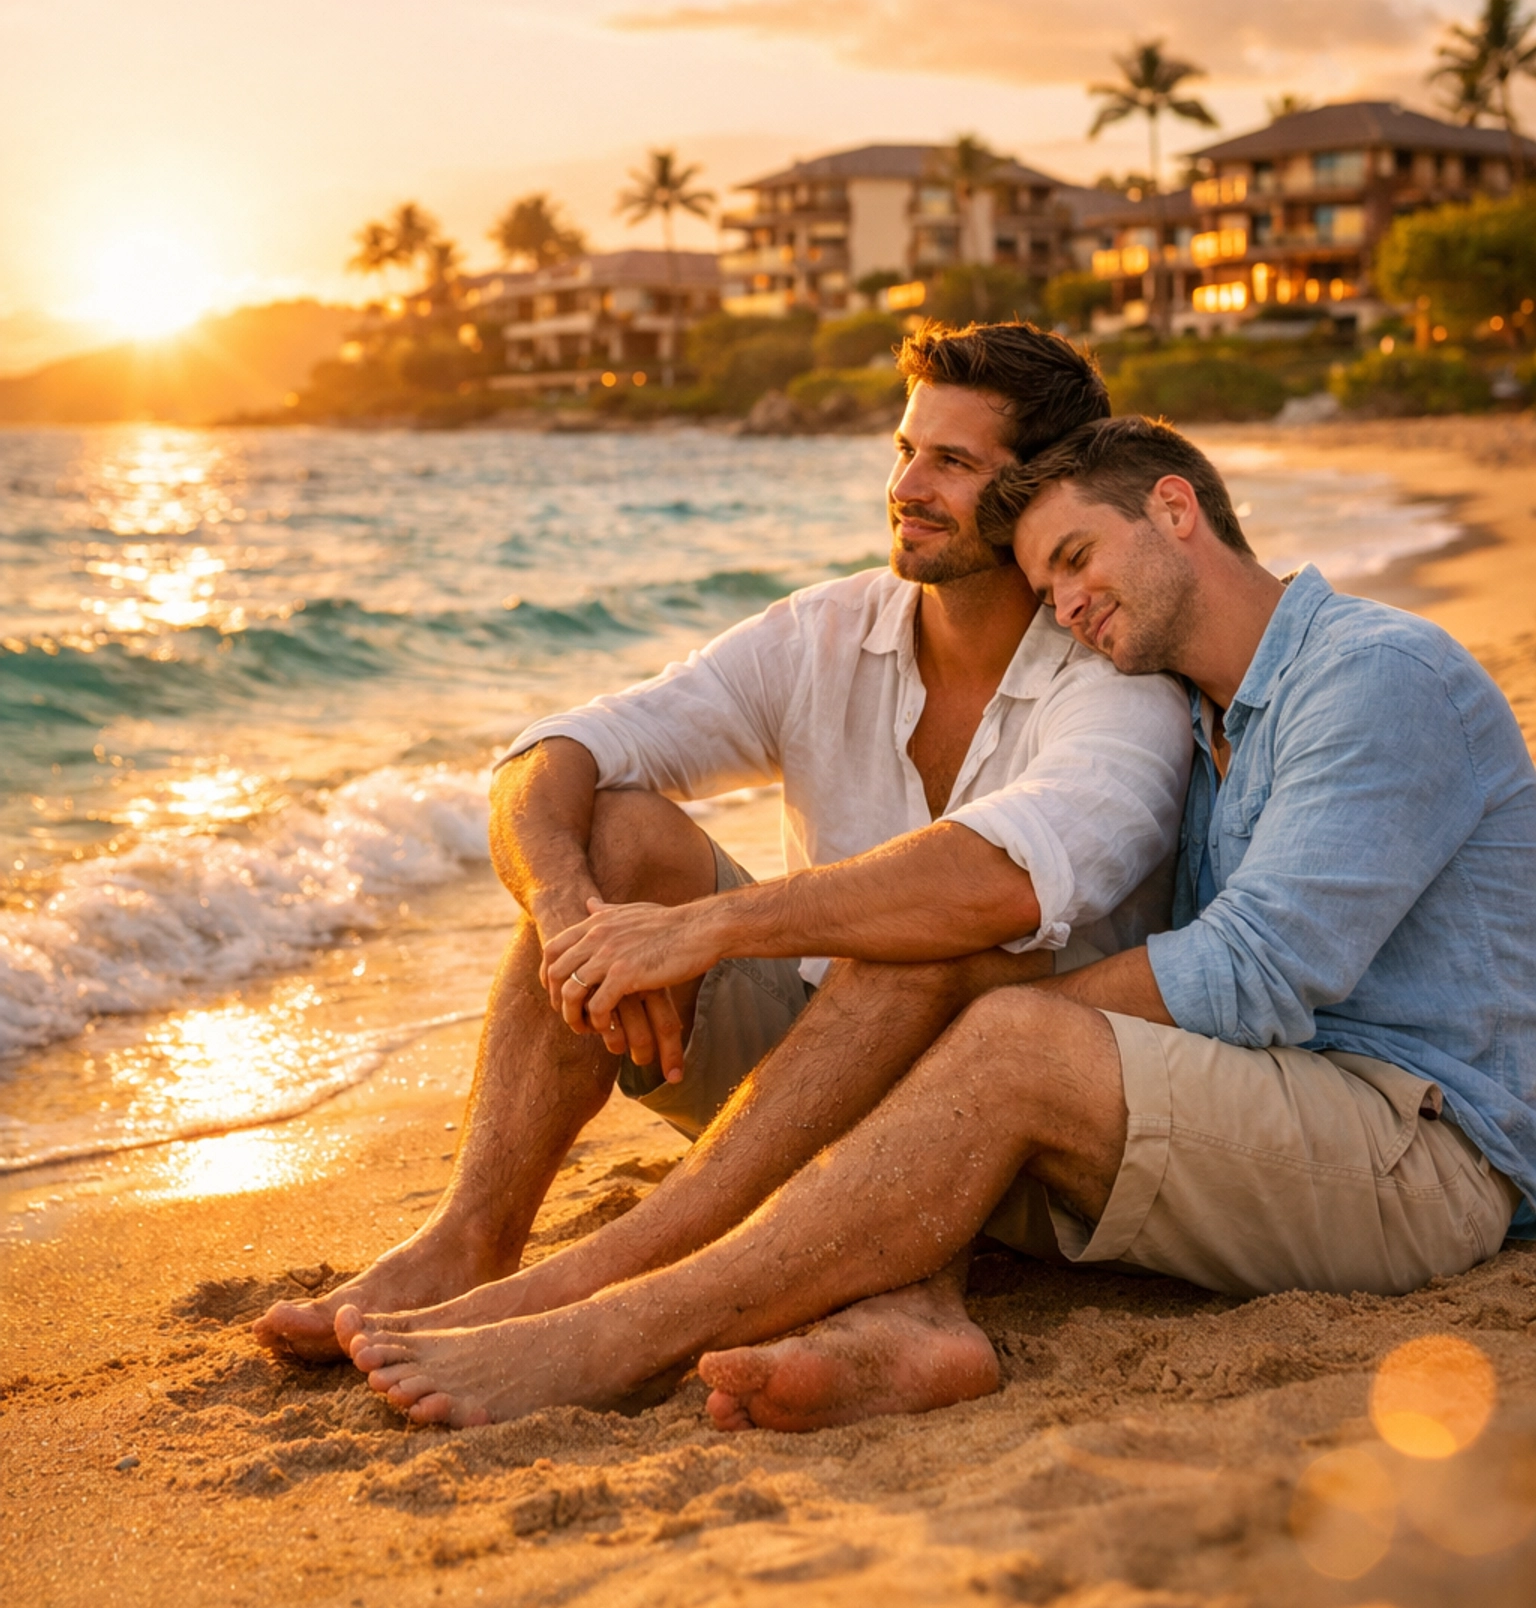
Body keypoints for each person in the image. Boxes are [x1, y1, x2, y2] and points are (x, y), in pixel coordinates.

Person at [338, 416, 1534, 1433]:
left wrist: (981, 1024)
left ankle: (615, 1333)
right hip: (1254, 1116)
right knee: (942, 996)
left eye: (1078, 558)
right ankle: (869, 1309)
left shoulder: (1373, 676)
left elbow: (1260, 972)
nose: (1068, 605)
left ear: (1176, 510)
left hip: (1419, 1147)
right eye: (1047, 584)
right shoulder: (1208, 711)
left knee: (1003, 1033)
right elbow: (569, 753)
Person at [254, 328, 1192, 1363]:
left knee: (933, 945)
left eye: (952, 463)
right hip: (807, 1079)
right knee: (615, 833)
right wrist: (572, 918)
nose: (906, 487)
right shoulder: (829, 632)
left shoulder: (1118, 673)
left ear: (1041, 487)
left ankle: (611, 1282)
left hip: (1016, 1118)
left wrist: (709, 929)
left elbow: (996, 882)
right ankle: (467, 1242)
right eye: (904, 450)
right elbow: (549, 754)